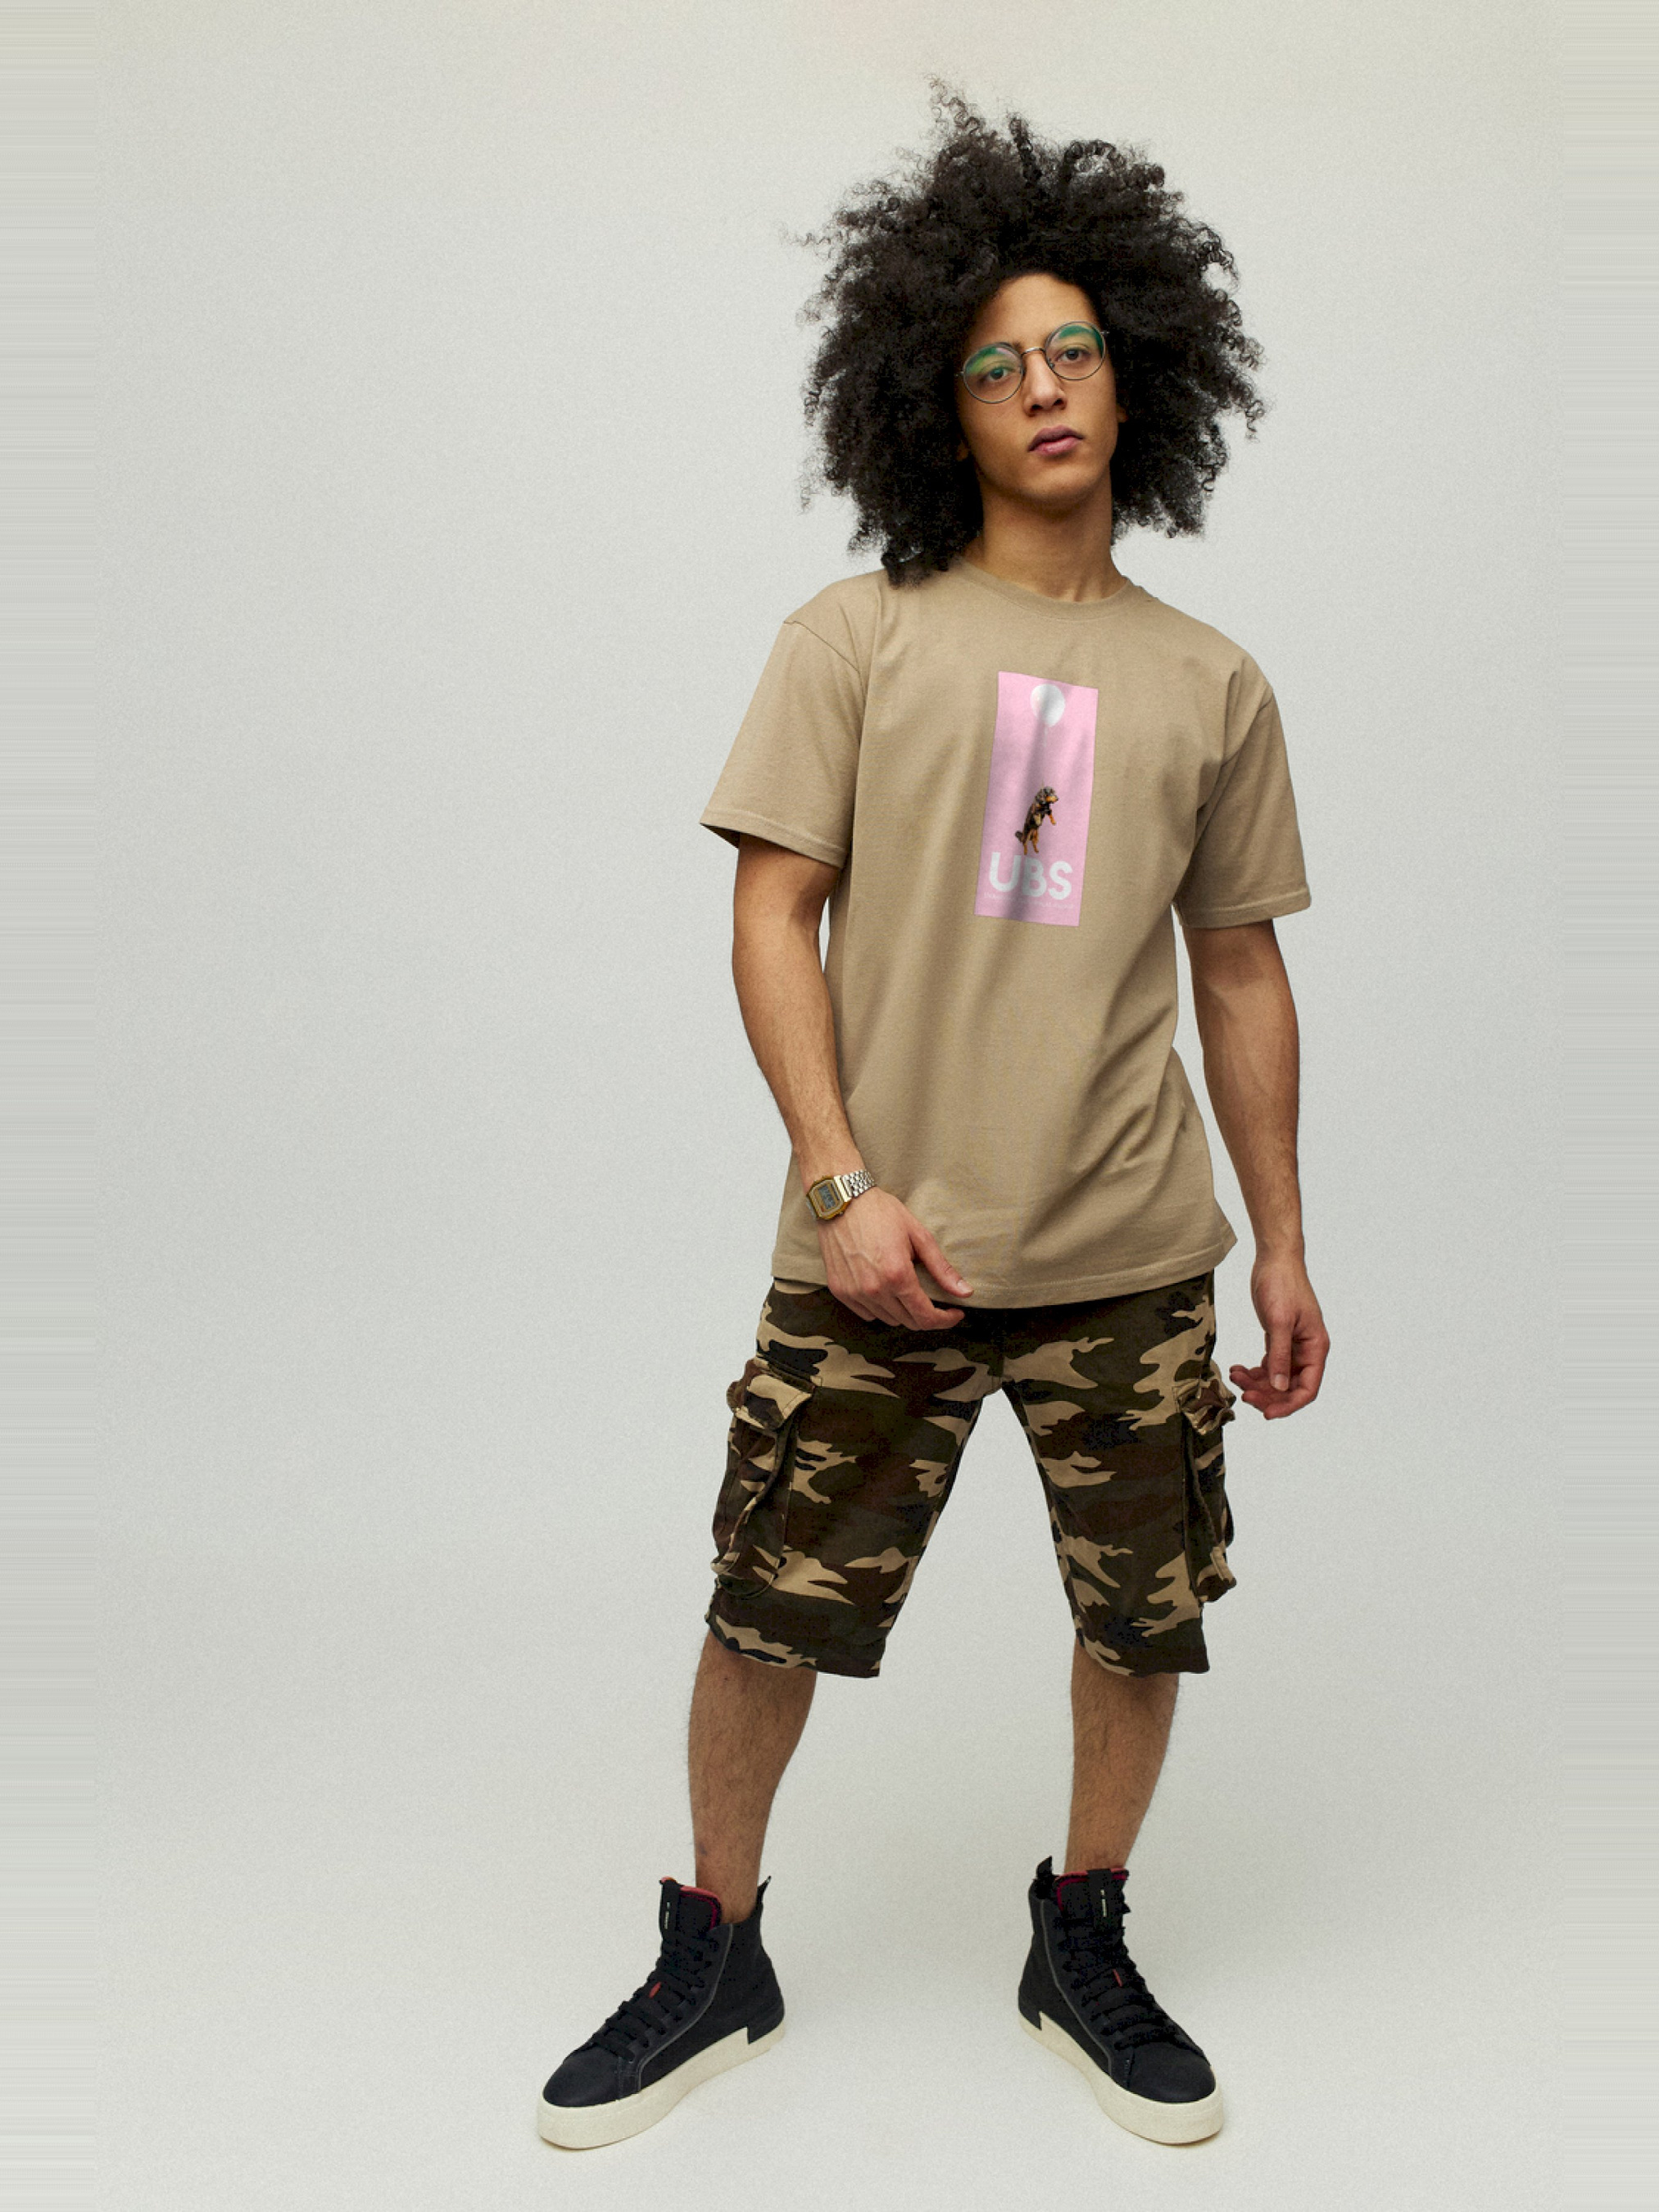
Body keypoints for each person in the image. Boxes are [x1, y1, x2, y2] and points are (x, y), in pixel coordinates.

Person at [538, 90, 1329, 2153]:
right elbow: (768, 910)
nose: (1042, 386)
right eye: (993, 363)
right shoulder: (857, 636)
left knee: (1140, 1618)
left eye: (1073, 349)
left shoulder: (1212, 682)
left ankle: (1082, 1932)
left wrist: (1280, 1240)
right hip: (880, 1243)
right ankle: (713, 1949)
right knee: (764, 1610)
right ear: (932, 404)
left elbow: (1240, 970)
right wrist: (841, 1182)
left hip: (1130, 1253)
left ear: (1136, 377)